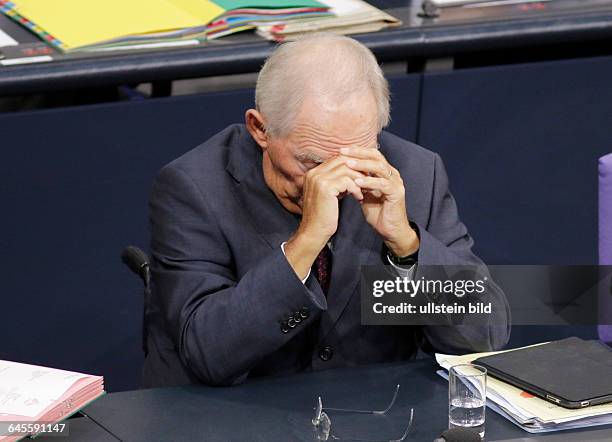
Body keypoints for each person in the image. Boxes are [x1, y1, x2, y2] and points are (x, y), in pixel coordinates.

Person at [142, 33, 510, 387]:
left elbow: (483, 338)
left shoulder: (414, 173)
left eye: (354, 161)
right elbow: (208, 354)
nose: (335, 184)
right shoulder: (193, 188)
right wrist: (306, 242)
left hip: (374, 417)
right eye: (311, 162)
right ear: (260, 129)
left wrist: (406, 247)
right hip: (233, 418)